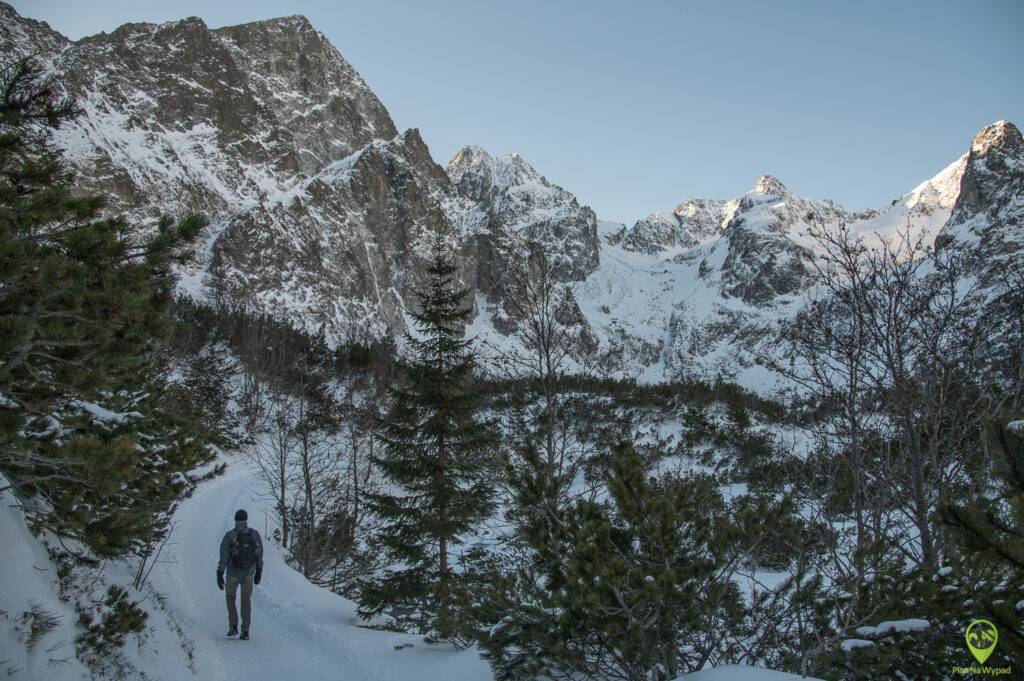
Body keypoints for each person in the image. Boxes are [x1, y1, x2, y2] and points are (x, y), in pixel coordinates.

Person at [216, 509, 264, 639]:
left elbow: (224, 556)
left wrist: (220, 572)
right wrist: (259, 569)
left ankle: (233, 626)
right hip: (249, 573)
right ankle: (245, 631)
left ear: (236, 520)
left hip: (232, 573)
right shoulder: (254, 534)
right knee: (246, 601)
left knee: (230, 598)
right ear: (246, 519)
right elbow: (259, 553)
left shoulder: (230, 536)